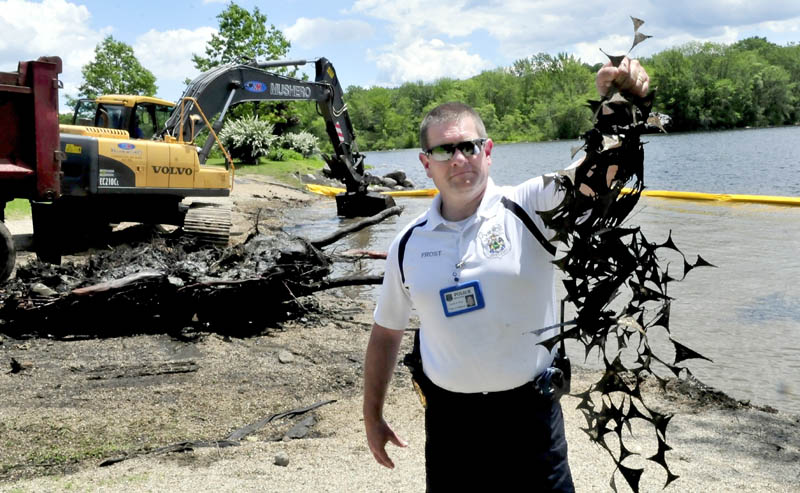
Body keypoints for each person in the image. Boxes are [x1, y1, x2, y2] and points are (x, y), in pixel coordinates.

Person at [363, 58, 649, 491]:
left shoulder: (531, 206)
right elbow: (386, 333)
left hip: (530, 419)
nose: (458, 158)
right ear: (426, 163)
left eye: (469, 146)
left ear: (489, 151)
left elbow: (598, 177)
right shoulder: (408, 243)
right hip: (451, 425)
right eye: (444, 150)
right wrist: (373, 416)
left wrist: (621, 100)